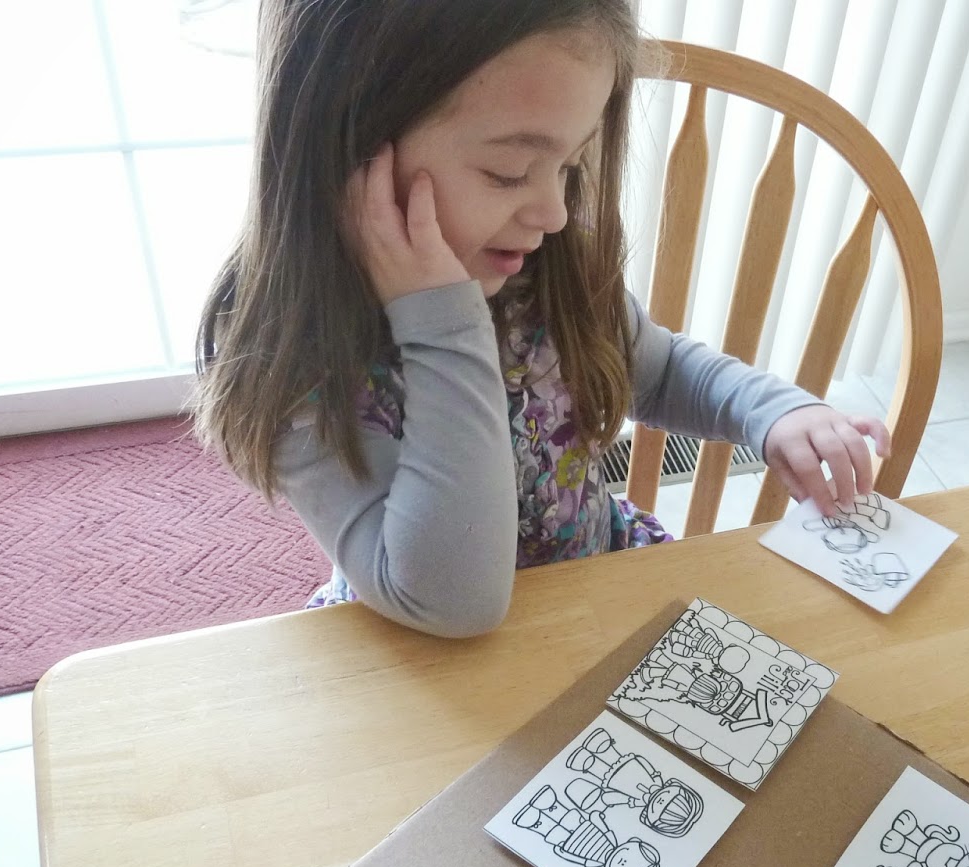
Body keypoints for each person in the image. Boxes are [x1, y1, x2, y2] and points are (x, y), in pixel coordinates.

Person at [191, 0, 890, 637]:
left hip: (595, 597)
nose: (554, 213)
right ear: (346, 151)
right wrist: (443, 325)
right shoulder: (291, 357)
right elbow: (454, 601)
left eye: (570, 166)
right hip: (423, 654)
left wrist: (771, 411)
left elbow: (658, 369)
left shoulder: (541, 269)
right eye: (507, 174)